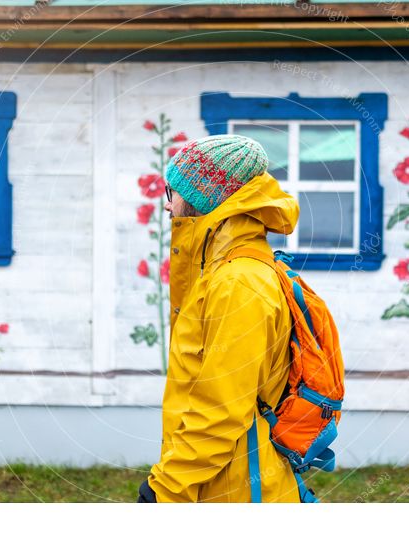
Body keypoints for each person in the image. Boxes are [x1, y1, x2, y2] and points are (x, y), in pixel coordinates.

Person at [137, 134, 301, 503]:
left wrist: (164, 490)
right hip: (221, 481)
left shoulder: (238, 281)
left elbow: (220, 412)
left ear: (203, 197)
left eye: (172, 192)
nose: (166, 205)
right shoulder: (221, 270)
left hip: (236, 488)